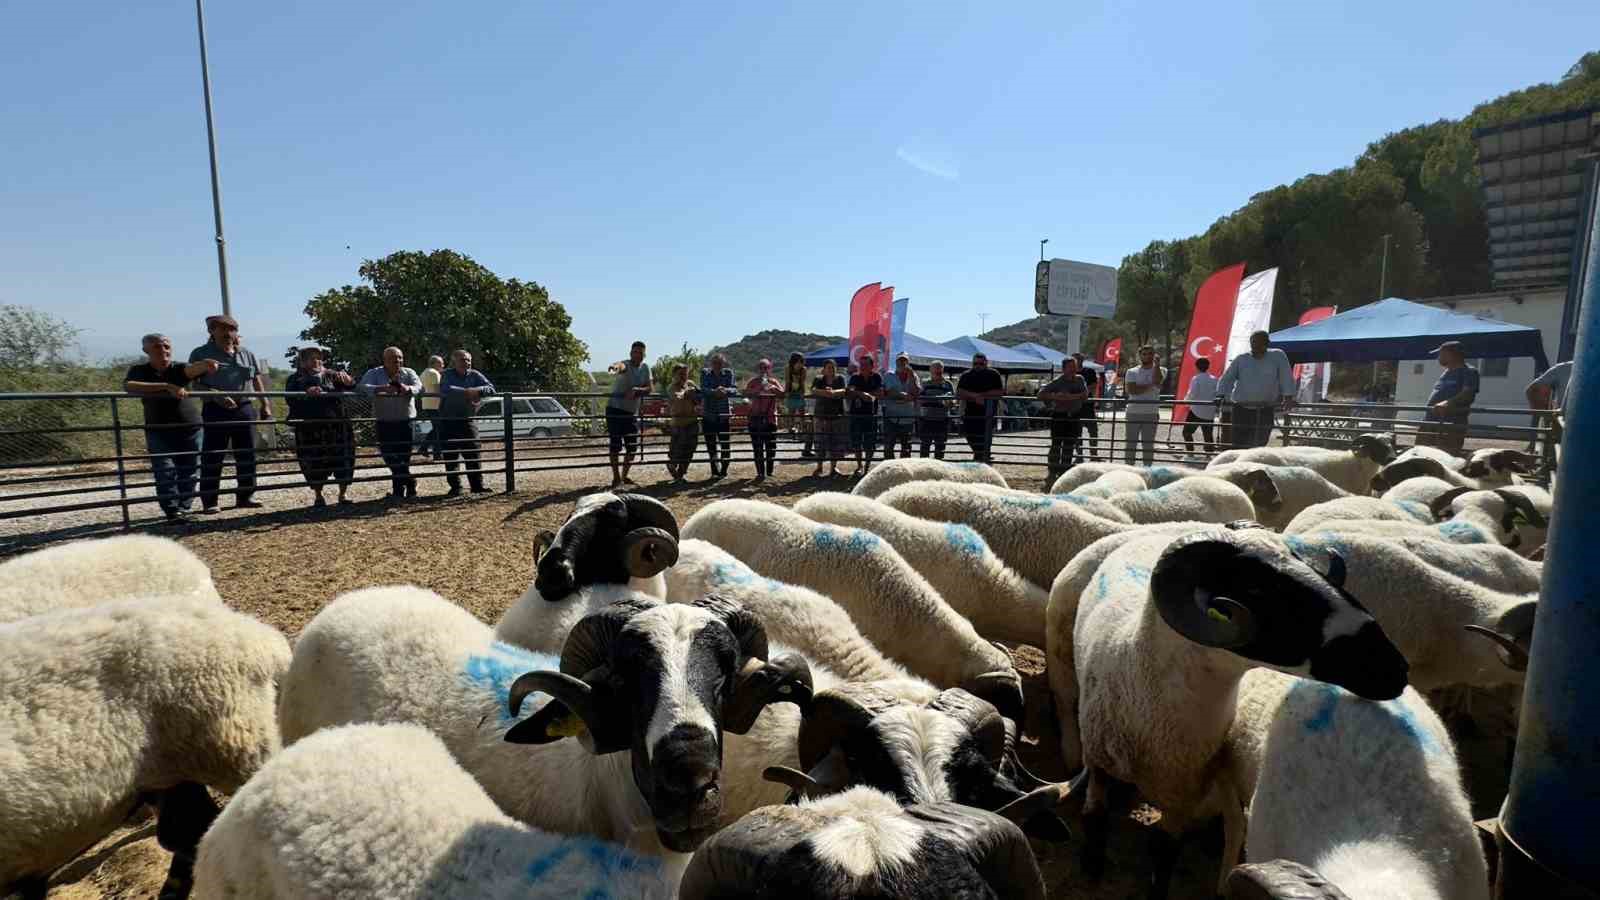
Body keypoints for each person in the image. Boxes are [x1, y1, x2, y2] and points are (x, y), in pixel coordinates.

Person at [124, 334, 218, 522]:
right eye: (158, 347)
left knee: (190, 470)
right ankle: (172, 510)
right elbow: (130, 386)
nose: (164, 350)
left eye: (167, 346)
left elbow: (191, 371)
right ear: (146, 351)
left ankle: (184, 508)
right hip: (158, 428)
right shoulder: (139, 370)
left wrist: (206, 364)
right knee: (165, 470)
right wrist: (167, 386)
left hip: (190, 427)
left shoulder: (178, 368)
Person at [189, 314, 271, 512]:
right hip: (215, 410)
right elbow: (195, 384)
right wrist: (216, 396)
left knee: (247, 454)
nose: (229, 333)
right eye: (223, 329)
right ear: (211, 331)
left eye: (232, 329)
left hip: (245, 408)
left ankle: (245, 496)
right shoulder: (200, 354)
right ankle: (210, 501)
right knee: (213, 455)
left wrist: (265, 403)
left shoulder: (246, 353)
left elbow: (256, 380)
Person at [284, 347, 356, 507]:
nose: (316, 361)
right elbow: (289, 398)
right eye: (311, 358)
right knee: (314, 462)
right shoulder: (295, 379)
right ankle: (318, 495)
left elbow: (351, 386)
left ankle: (343, 494)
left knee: (343, 459)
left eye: (319, 358)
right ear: (302, 362)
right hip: (310, 428)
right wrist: (305, 392)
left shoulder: (332, 375)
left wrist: (349, 381)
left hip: (338, 425)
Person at [357, 347, 423, 498]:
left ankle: (399, 492)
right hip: (384, 421)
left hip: (406, 421)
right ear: (384, 360)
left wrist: (408, 389)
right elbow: (362, 387)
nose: (398, 361)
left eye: (400, 357)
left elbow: (419, 387)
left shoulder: (409, 372)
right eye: (394, 358)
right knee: (388, 456)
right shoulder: (374, 373)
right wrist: (383, 389)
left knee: (404, 457)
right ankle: (410, 481)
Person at [1215, 330, 1295, 449]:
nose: (1254, 346)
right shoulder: (1241, 359)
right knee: (1238, 443)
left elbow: (1286, 376)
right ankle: (1240, 466)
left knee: (1259, 443)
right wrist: (1220, 395)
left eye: (1258, 343)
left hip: (1265, 409)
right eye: (1252, 343)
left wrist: (1288, 397)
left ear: (1266, 343)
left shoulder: (1278, 356)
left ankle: (1254, 465)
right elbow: (1227, 378)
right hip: (1241, 408)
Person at [437, 349, 496, 496]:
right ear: (454, 362)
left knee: (473, 453)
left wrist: (477, 389)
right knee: (451, 456)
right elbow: (446, 389)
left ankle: (477, 486)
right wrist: (467, 392)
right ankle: (456, 488)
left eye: (468, 360)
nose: (467, 363)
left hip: (468, 420)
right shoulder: (446, 374)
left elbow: (491, 389)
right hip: (448, 420)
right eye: (463, 360)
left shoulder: (475, 374)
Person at [1415, 341, 1479, 454]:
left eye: (1441, 354)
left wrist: (1447, 402)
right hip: (1431, 421)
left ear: (1452, 355)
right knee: (1420, 454)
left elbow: (1468, 393)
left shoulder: (1469, 371)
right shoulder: (1446, 372)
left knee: (1445, 456)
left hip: (1450, 423)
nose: (1438, 357)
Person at [605, 341, 652, 487]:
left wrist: (637, 389)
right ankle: (616, 478)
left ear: (644, 354)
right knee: (615, 445)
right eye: (634, 352)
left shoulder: (645, 368)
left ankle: (624, 476)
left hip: (631, 412)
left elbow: (650, 388)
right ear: (630, 353)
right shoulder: (625, 365)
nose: (637, 355)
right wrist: (614, 368)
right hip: (615, 409)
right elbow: (616, 367)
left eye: (640, 352)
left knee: (632, 447)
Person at [1038, 357, 1089, 479]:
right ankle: (1053, 469)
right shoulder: (1058, 381)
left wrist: (1069, 397)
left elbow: (1085, 395)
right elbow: (1040, 394)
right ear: (1064, 369)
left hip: (1074, 416)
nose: (1073, 370)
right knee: (1056, 444)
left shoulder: (1080, 379)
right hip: (1059, 416)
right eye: (1070, 367)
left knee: (1069, 444)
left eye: (1074, 367)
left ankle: (1064, 470)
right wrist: (1056, 396)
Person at [956, 353, 1005, 463]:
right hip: (969, 412)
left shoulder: (993, 374)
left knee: (985, 436)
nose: (978, 365)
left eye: (980, 363)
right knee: (970, 434)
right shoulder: (966, 375)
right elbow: (959, 392)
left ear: (986, 363)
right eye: (975, 363)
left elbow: (999, 392)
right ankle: (979, 454)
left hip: (987, 413)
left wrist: (982, 396)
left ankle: (983, 456)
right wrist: (975, 396)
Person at [1121, 346, 1165, 466]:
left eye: (1150, 354)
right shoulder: (1131, 371)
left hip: (1151, 413)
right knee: (1130, 443)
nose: (1147, 356)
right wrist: (1151, 385)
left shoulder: (1161, 369)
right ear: (1140, 355)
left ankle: (1148, 470)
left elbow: (1158, 380)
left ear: (1154, 355)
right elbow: (1132, 390)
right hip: (1133, 412)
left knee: (1148, 444)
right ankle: (1129, 468)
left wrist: (1156, 366)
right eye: (1144, 354)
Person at [744, 359, 784, 481]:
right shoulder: (752, 382)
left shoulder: (774, 382)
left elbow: (782, 394)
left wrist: (773, 389)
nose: (763, 370)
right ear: (758, 369)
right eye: (761, 367)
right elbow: (745, 394)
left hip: (770, 419)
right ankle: (760, 473)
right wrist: (758, 389)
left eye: (766, 367)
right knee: (758, 447)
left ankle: (770, 472)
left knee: (771, 447)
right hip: (755, 419)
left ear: (770, 369)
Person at [846, 354, 885, 475]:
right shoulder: (855, 377)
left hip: (871, 414)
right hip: (856, 414)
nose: (862, 367)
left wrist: (866, 395)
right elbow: (850, 391)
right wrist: (863, 394)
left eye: (865, 364)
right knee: (856, 442)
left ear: (872, 366)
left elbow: (881, 392)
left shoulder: (877, 377)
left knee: (870, 442)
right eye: (861, 364)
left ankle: (867, 466)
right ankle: (860, 466)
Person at [700, 353, 737, 479]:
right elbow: (703, 389)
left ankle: (724, 470)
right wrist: (715, 392)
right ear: (711, 363)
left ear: (723, 364)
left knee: (725, 444)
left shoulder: (728, 373)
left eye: (720, 363)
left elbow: (734, 389)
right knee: (711, 446)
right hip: (708, 414)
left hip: (723, 414)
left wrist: (725, 390)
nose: (717, 365)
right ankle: (715, 471)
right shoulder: (705, 373)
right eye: (715, 363)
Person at [810, 359, 848, 477]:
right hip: (821, 415)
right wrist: (826, 393)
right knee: (819, 442)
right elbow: (813, 390)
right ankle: (819, 467)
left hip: (836, 415)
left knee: (835, 442)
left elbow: (844, 390)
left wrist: (833, 392)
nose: (831, 369)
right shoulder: (818, 379)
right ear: (824, 369)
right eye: (828, 367)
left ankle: (833, 468)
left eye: (833, 367)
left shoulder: (840, 378)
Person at [664, 364, 701, 482]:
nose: (684, 376)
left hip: (692, 420)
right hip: (678, 422)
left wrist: (694, 396)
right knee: (677, 447)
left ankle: (681, 473)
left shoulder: (691, 384)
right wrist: (688, 394)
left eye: (685, 373)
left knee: (691, 448)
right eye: (681, 373)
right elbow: (677, 398)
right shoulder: (672, 387)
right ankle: (672, 466)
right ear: (674, 374)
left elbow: (699, 397)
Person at [880, 354, 919, 460]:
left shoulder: (914, 376)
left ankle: (904, 472)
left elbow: (916, 393)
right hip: (891, 417)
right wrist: (903, 395)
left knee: (906, 448)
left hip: (908, 418)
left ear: (908, 363)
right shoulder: (889, 375)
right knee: (888, 446)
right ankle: (889, 471)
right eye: (900, 361)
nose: (902, 364)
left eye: (905, 361)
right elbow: (887, 391)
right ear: (896, 363)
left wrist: (911, 376)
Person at [1180, 357, 1219, 455]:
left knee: (1187, 432)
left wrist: (1185, 402)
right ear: (1208, 367)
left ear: (1196, 367)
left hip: (1196, 411)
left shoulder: (1196, 378)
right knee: (1208, 434)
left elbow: (1193, 393)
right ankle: (1208, 456)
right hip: (1209, 411)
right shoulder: (1215, 379)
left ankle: (1190, 454)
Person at [916, 361, 954, 458]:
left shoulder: (948, 384)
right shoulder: (925, 383)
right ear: (930, 370)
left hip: (942, 420)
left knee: (940, 448)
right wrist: (938, 398)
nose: (938, 370)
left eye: (939, 368)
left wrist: (950, 402)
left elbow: (953, 401)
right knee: (925, 447)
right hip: (926, 420)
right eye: (935, 368)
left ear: (943, 369)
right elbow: (919, 400)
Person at [782, 353, 811, 458]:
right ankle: (791, 428)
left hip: (799, 391)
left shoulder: (804, 369)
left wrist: (802, 394)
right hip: (791, 391)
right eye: (797, 362)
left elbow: (803, 382)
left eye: (801, 362)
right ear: (793, 362)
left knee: (802, 411)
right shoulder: (788, 368)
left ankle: (803, 430)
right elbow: (787, 381)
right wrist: (786, 393)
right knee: (791, 411)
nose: (799, 364)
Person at [1072, 353, 1100, 460]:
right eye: (1075, 359)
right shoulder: (1070, 373)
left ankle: (1094, 454)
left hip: (1087, 405)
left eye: (1079, 359)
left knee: (1093, 430)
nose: (1077, 361)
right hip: (1075, 406)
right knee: (1076, 432)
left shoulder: (1089, 371)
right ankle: (1079, 455)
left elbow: (1093, 385)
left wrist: (1081, 393)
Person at [419, 355, 444, 460]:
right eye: (441, 363)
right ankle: (436, 454)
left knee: (437, 429)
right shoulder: (434, 373)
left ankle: (424, 448)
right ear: (434, 363)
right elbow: (438, 390)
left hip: (427, 404)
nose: (443, 365)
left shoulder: (424, 373)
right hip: (435, 404)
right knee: (439, 429)